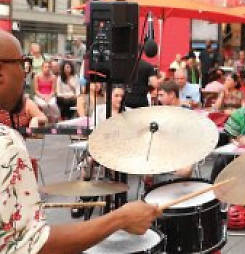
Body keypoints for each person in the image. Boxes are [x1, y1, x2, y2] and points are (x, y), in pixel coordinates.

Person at [0, 30, 159, 254]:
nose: (26, 73)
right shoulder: (6, 144)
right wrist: (120, 218)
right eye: (22, 64)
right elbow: (33, 246)